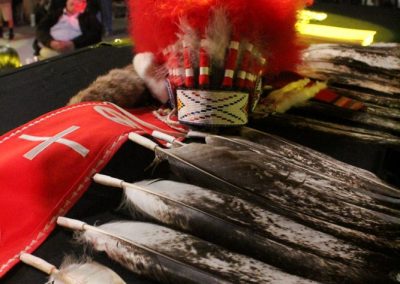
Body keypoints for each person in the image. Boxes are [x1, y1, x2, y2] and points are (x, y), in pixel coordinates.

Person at [36, 0, 102, 59]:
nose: (74, 2)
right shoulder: (55, 14)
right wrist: (51, 42)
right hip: (51, 48)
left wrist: (73, 44)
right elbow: (41, 29)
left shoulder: (87, 17)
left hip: (76, 51)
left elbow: (96, 35)